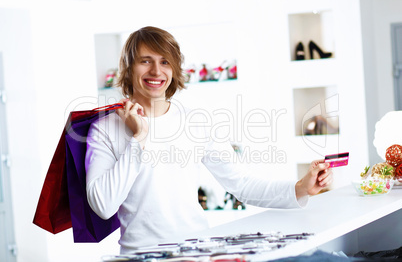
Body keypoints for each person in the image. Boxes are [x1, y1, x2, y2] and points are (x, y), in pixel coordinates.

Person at [85, 26, 333, 254]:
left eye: (165, 62)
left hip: (195, 250)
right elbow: (103, 205)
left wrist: (300, 188)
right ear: (129, 68)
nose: (156, 71)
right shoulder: (105, 129)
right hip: (140, 255)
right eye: (145, 61)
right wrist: (138, 139)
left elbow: (242, 185)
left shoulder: (196, 122)